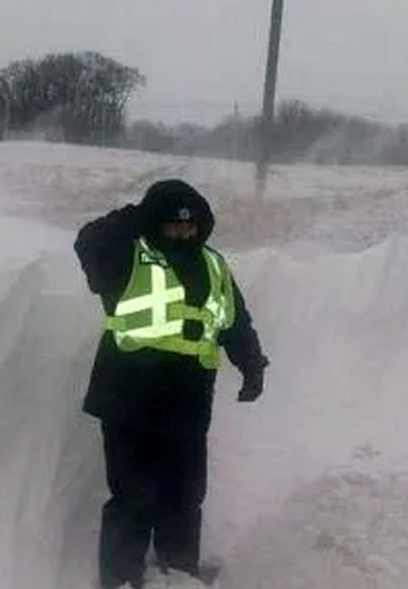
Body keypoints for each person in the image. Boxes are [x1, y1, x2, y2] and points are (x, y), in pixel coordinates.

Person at [74, 179, 269, 589]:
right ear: (155, 224)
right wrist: (135, 218)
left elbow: (235, 321)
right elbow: (88, 242)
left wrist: (252, 364)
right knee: (132, 498)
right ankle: (121, 579)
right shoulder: (127, 257)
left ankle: (178, 573)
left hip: (188, 403)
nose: (183, 232)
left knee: (184, 495)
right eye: (173, 225)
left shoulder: (214, 265)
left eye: (191, 226)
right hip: (129, 399)